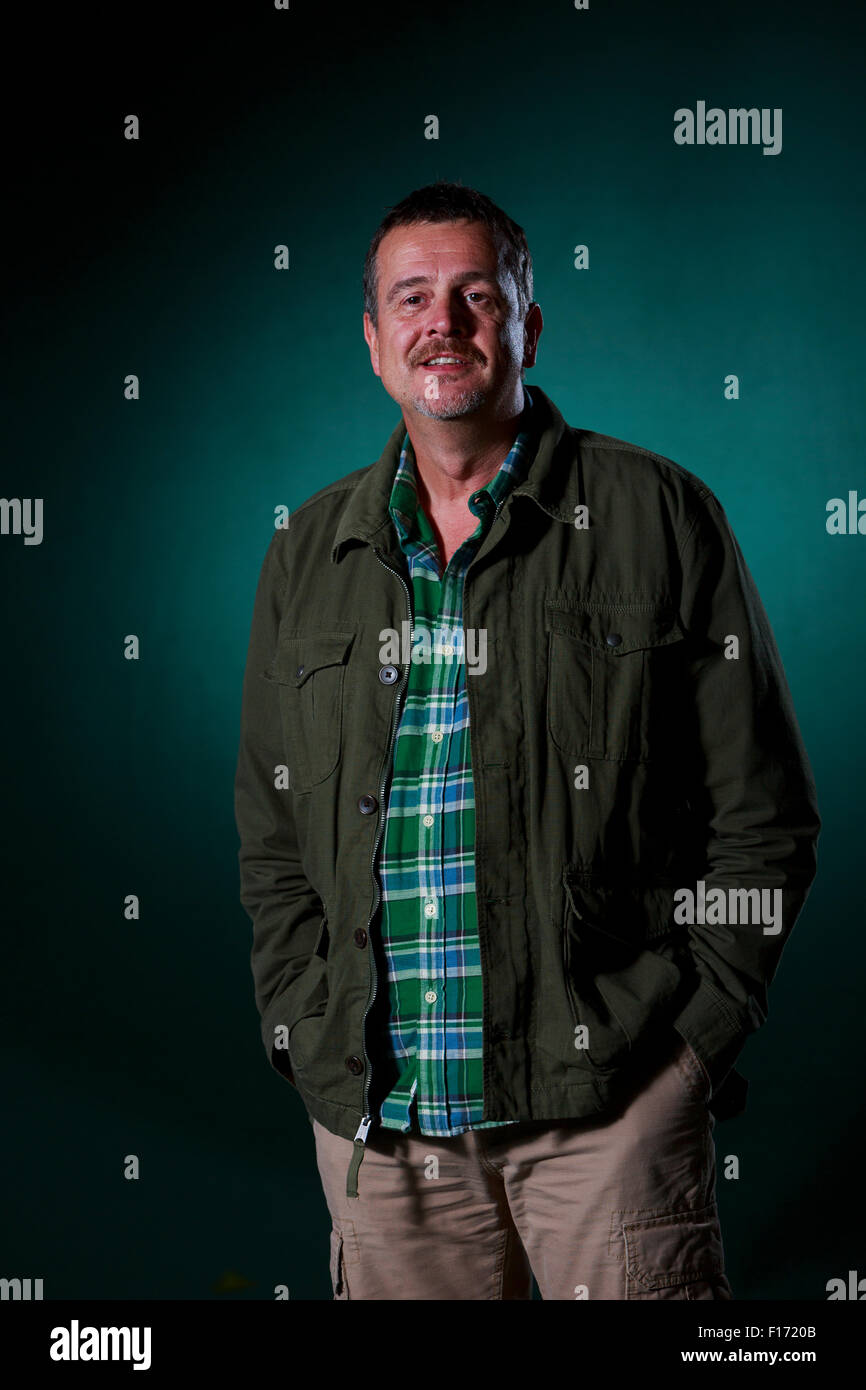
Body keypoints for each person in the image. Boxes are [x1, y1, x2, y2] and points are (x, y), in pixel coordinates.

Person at [233, 180, 821, 1300]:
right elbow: (271, 835)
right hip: (381, 1129)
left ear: (525, 324)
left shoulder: (655, 514)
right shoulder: (306, 551)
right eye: (410, 298)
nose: (440, 324)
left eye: (474, 295)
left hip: (608, 1120)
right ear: (372, 341)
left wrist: (692, 1043)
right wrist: (300, 1031)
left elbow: (762, 817)